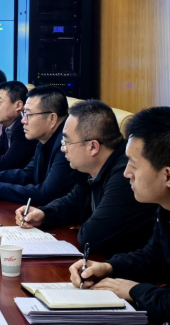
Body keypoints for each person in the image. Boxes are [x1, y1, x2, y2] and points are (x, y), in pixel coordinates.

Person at [69, 107, 170, 322]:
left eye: (133, 165)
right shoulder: (164, 206)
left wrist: (135, 290)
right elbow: (153, 257)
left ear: (168, 175)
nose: (126, 173)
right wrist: (109, 267)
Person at [15, 100, 155, 256]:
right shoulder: (93, 166)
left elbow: (92, 237)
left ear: (93, 147)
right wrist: (44, 214)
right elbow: (72, 203)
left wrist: (82, 223)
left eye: (66, 141)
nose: (63, 148)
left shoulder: (125, 174)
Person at [0, 85, 84, 204]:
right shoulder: (44, 138)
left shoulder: (66, 145)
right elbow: (28, 174)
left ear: (52, 119)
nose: (23, 120)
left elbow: (45, 194)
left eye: (29, 115)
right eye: (24, 114)